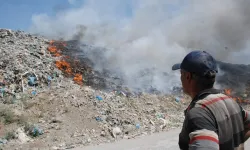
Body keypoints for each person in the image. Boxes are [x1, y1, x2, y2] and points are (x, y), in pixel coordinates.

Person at [172, 50, 250, 150]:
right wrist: (235, 145)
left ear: (188, 76)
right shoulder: (230, 101)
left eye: (181, 73)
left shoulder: (199, 113)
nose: (180, 78)